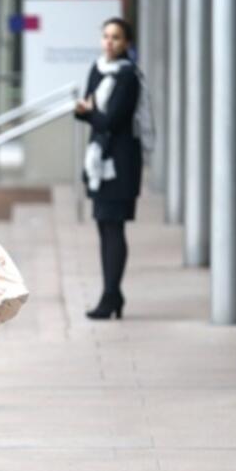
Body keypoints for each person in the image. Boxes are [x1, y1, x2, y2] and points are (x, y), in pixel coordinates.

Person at [75, 17, 143, 320]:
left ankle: (111, 295)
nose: (109, 42)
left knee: (113, 227)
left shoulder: (128, 77)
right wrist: (90, 114)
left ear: (127, 43)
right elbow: (91, 113)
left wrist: (90, 114)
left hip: (122, 163)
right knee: (104, 227)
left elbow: (111, 121)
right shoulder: (98, 68)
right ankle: (113, 294)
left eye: (116, 37)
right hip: (99, 160)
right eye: (105, 36)